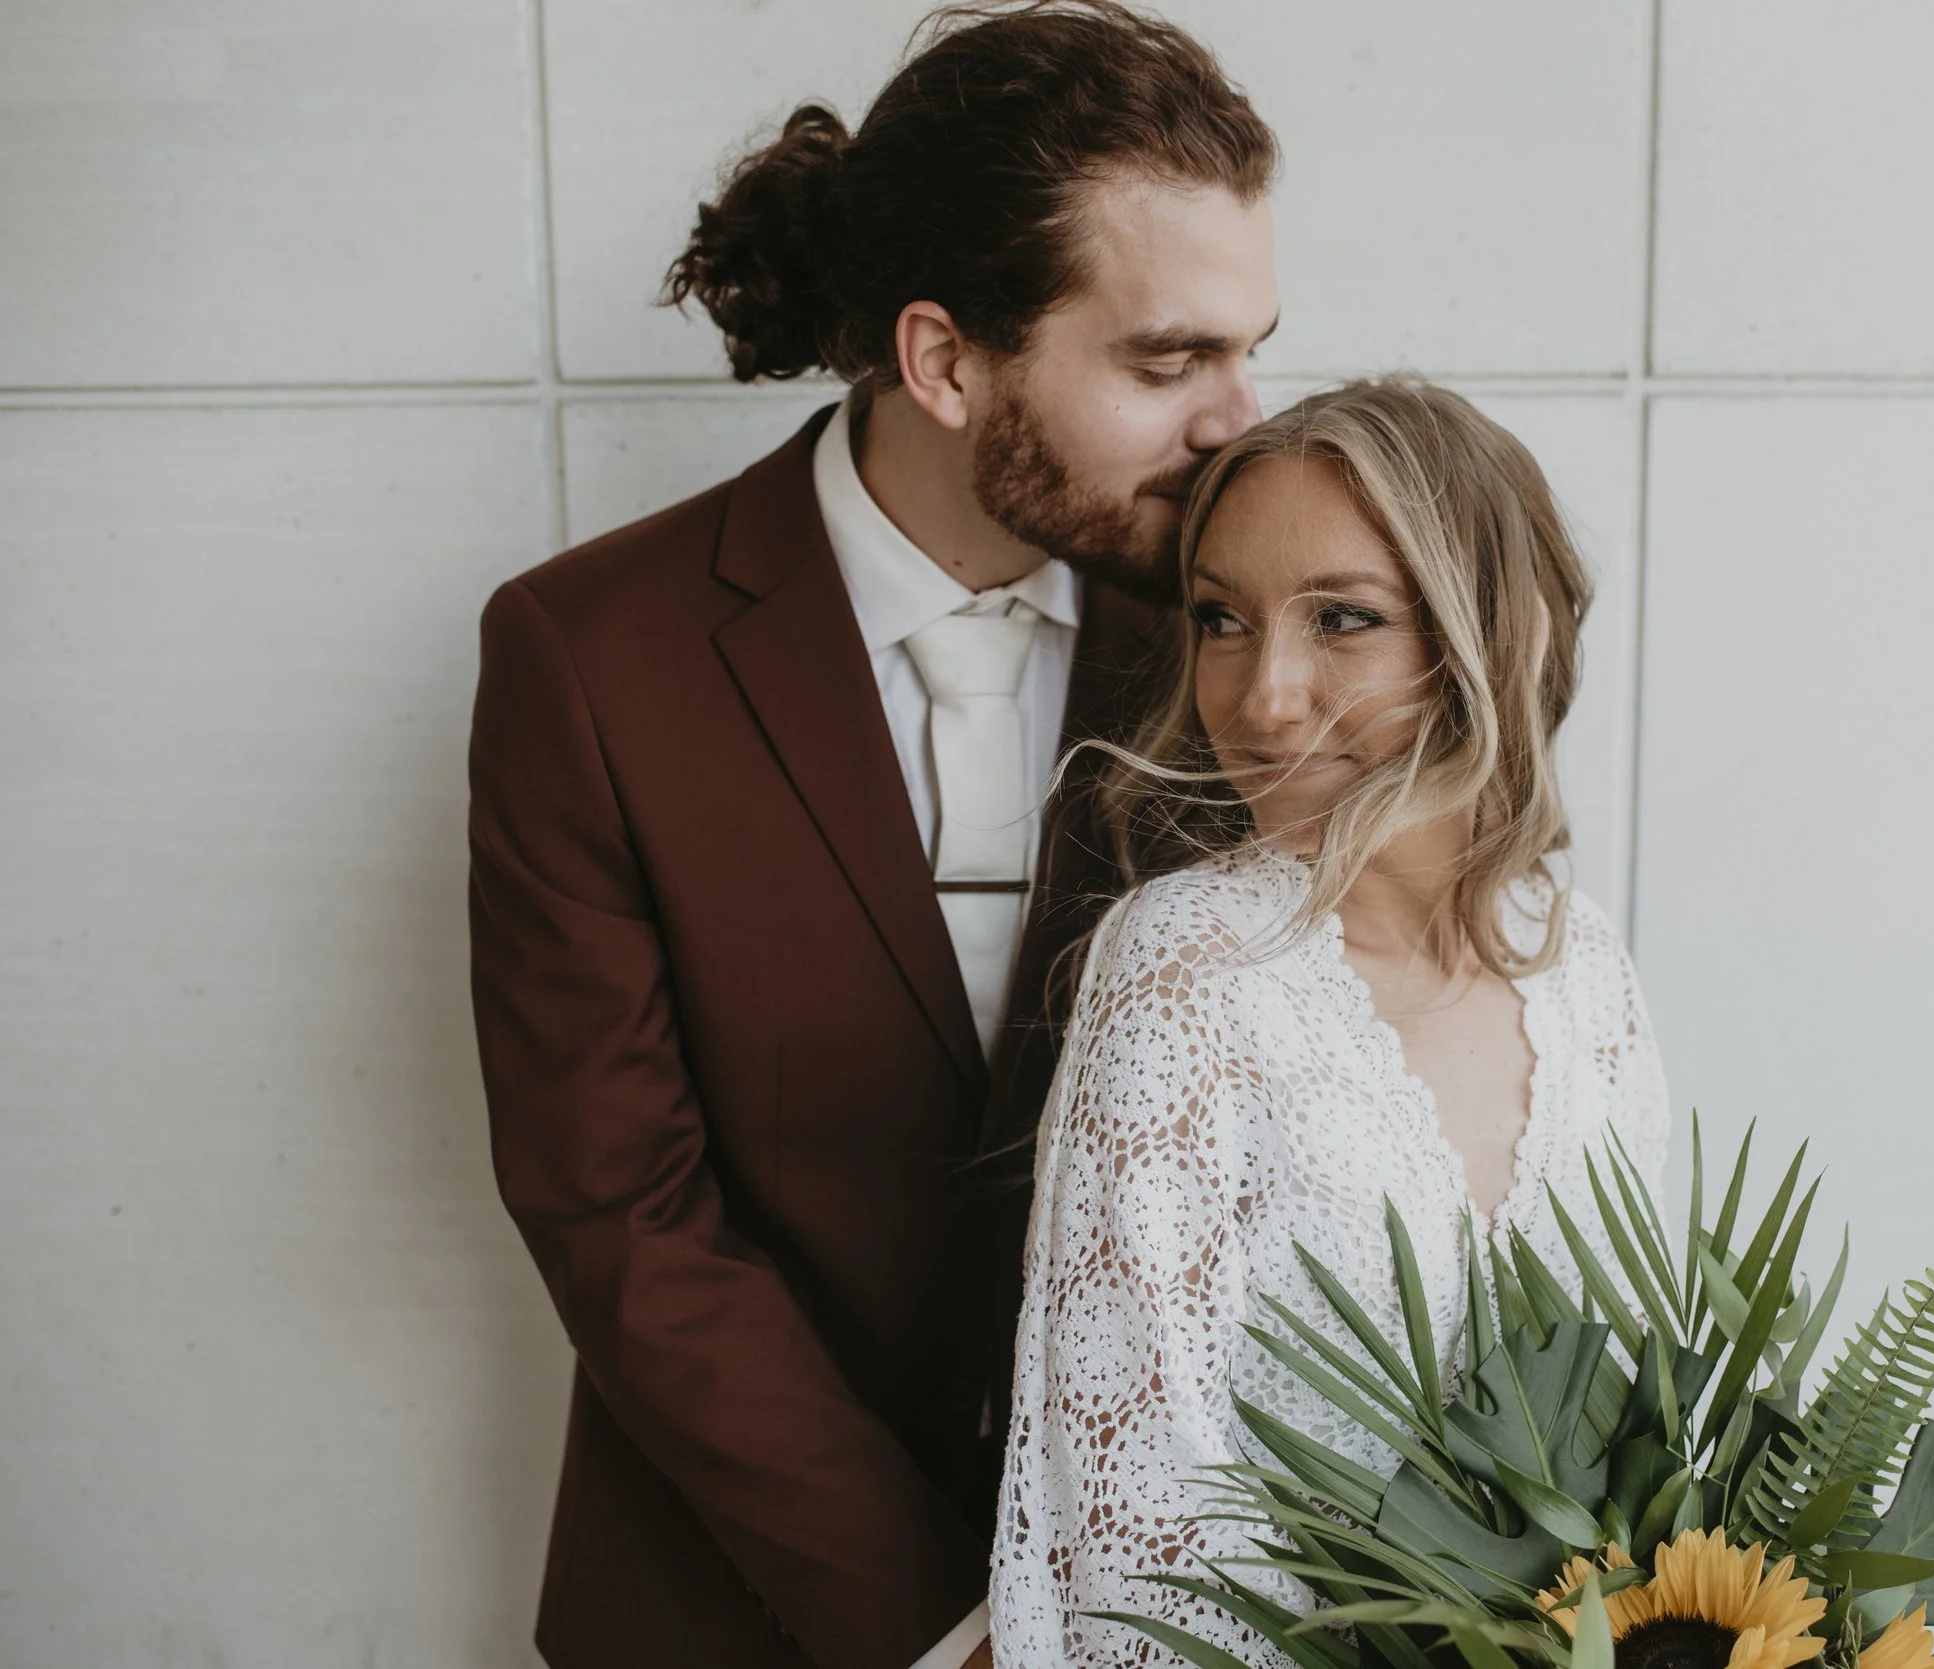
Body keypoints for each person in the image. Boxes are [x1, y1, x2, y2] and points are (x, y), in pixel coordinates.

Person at [465, 6, 1276, 1667]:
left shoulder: (1255, 640)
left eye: (1251, 349)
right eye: (1166, 358)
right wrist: (944, 1622)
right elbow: (616, 1207)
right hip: (732, 1602)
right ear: (944, 360)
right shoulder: (589, 657)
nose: (1237, 423)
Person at [986, 378, 1678, 1667]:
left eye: (1343, 619)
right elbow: (1139, 1523)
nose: (1261, 699)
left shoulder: (1584, 969)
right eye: (1223, 621)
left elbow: (1650, 1446)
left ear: (1505, 635)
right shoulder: (1188, 968)